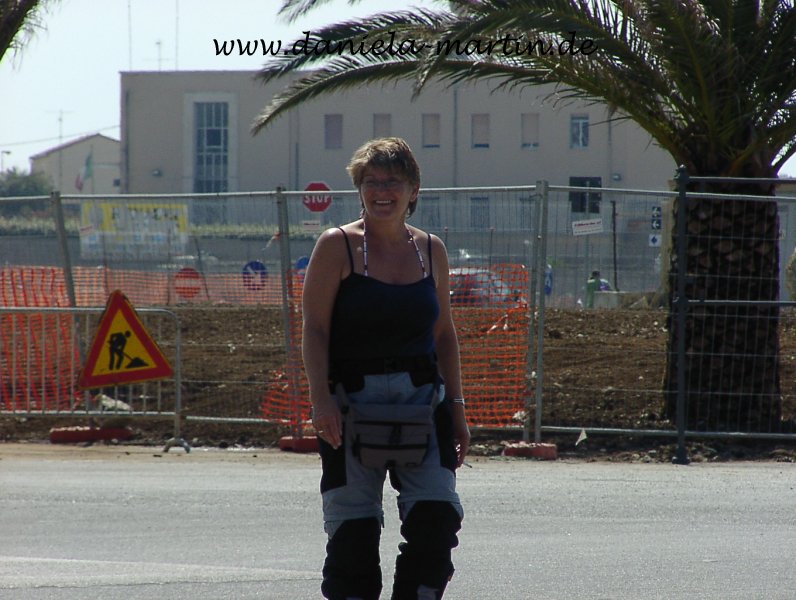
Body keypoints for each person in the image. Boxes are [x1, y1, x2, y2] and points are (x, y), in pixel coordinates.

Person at [302, 137, 469, 600]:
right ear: (359, 188)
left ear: (414, 190)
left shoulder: (431, 250)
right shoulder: (337, 245)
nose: (382, 191)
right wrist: (321, 401)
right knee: (352, 534)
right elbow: (314, 329)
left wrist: (457, 408)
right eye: (371, 181)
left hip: (423, 402)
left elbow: (444, 334)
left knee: (437, 520)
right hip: (350, 405)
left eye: (393, 181)